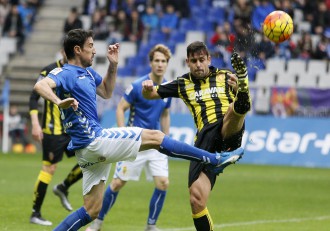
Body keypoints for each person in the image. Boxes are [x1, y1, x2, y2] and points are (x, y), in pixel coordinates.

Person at [33, 29, 243, 231]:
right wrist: (58, 101)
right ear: (77, 50)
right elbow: (41, 86)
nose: (94, 50)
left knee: (91, 210)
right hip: (94, 141)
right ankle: (214, 160)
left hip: (86, 151)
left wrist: (113, 66)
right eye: (90, 46)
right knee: (157, 136)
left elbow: (106, 91)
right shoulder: (66, 72)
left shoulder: (87, 73)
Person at [142, 41, 251, 231]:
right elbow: (151, 94)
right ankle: (219, 159)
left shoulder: (225, 76)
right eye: (194, 61)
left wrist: (239, 88)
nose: (198, 64)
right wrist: (146, 87)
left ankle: (244, 85)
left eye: (202, 60)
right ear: (187, 62)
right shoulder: (183, 84)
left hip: (229, 129)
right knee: (196, 199)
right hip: (204, 141)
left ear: (209, 59)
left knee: (235, 109)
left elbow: (242, 107)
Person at [86, 44, 172, 231]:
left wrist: (167, 137)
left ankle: (151, 225)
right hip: (136, 143)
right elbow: (120, 108)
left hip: (156, 144)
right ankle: (97, 223)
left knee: (163, 183)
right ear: (151, 63)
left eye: (163, 61)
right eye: (156, 60)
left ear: (167, 64)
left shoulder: (167, 88)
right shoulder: (137, 86)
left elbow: (165, 113)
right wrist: (123, 133)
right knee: (117, 183)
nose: (160, 64)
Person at [29, 50, 83, 226]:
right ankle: (35, 213)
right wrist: (35, 124)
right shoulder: (49, 71)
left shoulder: (76, 71)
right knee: (49, 169)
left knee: (90, 158)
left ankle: (63, 187)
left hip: (70, 129)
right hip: (52, 130)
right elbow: (33, 97)